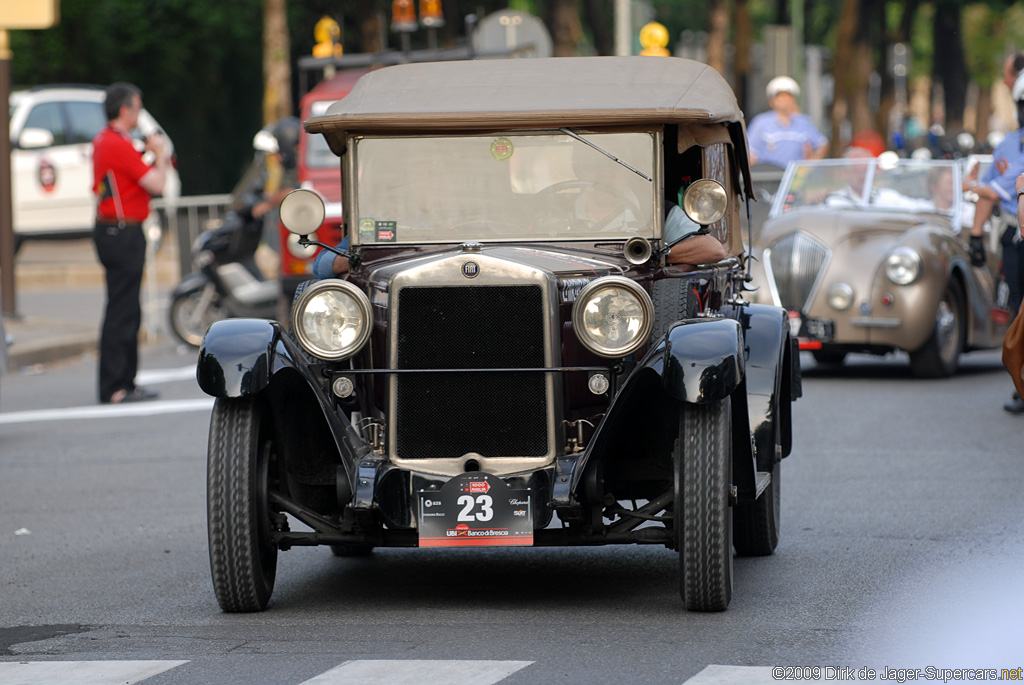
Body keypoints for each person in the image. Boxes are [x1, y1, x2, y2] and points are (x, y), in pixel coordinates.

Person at [92, 83, 170, 404]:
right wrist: (160, 155)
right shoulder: (116, 143)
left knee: (127, 309)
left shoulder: (111, 141)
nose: (139, 115)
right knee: (122, 311)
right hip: (121, 232)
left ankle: (126, 381)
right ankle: (115, 386)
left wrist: (150, 153)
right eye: (137, 108)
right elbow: (157, 184)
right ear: (124, 110)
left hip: (119, 230)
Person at [966, 57, 1024, 414]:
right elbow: (994, 188)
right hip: (1018, 240)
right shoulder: (1010, 145)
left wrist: (974, 188)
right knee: (1018, 308)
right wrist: (975, 234)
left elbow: (988, 189)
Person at [746, 76, 829, 169]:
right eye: (780, 97)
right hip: (769, 177)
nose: (784, 101)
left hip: (796, 178)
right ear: (772, 101)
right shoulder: (761, 122)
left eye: (788, 97)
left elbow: (822, 144)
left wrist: (810, 165)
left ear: (793, 100)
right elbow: (750, 153)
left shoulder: (804, 122)